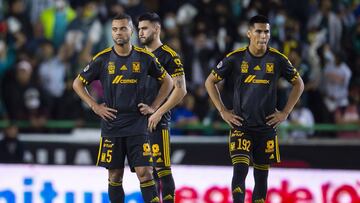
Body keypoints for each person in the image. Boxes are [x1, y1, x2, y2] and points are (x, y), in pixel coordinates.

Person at [72, 13, 173, 203]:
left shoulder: (145, 57)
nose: (118, 33)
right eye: (115, 29)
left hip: (138, 124)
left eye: (123, 28)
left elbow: (167, 81)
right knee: (115, 176)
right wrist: (95, 106)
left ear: (131, 31)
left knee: (145, 172)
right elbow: (78, 83)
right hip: (112, 125)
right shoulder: (102, 59)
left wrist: (154, 106)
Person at [205, 15, 304, 202]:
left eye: (266, 31)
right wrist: (222, 110)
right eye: (258, 31)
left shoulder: (278, 59)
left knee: (261, 178)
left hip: (266, 128)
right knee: (240, 170)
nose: (263, 35)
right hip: (241, 125)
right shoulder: (235, 58)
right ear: (249, 33)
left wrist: (285, 112)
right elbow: (210, 81)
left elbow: (299, 84)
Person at [137, 12, 187, 202]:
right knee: (144, 172)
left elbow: (181, 91)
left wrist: (157, 112)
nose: (140, 32)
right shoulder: (137, 55)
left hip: (157, 122)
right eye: (139, 28)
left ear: (156, 29)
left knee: (162, 169)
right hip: (137, 124)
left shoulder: (169, 56)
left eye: (145, 28)